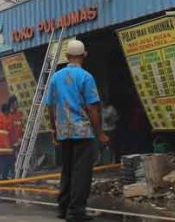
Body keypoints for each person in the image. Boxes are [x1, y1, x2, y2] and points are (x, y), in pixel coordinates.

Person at [43, 39, 108, 222]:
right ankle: (76, 211)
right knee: (82, 173)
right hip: (82, 132)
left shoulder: (56, 77)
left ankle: (63, 208)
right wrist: (100, 133)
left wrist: (54, 130)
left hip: (64, 132)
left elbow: (50, 107)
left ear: (67, 56)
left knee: (67, 170)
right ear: (83, 56)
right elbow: (93, 108)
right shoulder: (86, 77)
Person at [0, 103, 14, 180]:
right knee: (7, 162)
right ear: (7, 110)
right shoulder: (8, 119)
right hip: (6, 146)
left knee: (0, 162)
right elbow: (11, 132)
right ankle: (4, 177)